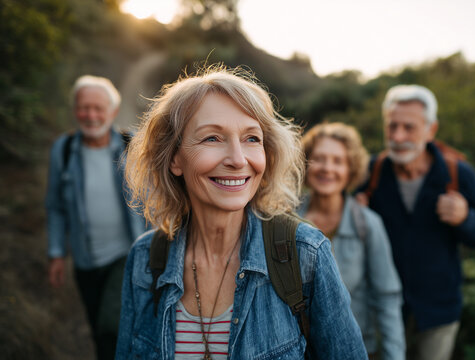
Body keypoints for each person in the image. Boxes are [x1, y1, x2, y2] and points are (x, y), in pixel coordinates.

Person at [115, 67, 368, 359]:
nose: (238, 159)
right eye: (212, 138)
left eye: (251, 139)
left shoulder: (306, 254)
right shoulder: (145, 258)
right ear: (174, 158)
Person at [356, 85, 475, 360]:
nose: (397, 136)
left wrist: (465, 217)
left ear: (431, 129)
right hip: (384, 307)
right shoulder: (372, 172)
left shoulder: (457, 173)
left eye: (409, 128)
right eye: (392, 126)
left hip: (439, 309)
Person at [45, 75, 146, 360]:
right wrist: (55, 254)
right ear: (75, 110)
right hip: (85, 260)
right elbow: (54, 206)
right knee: (98, 328)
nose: (91, 115)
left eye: (98, 108)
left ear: (113, 111)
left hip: (127, 255)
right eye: (84, 107)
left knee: (111, 326)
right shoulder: (63, 151)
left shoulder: (133, 146)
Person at [297, 122, 405, 360]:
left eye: (338, 161)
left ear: (351, 169)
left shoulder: (368, 224)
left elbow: (387, 299)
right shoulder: (284, 219)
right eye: (319, 159)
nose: (327, 168)